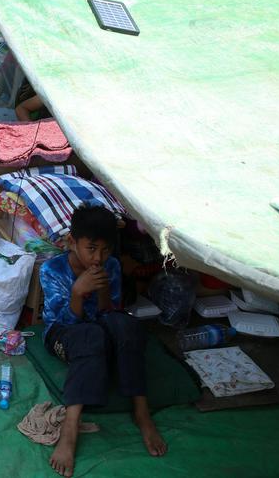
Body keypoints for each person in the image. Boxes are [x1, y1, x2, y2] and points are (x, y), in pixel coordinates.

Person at [40, 204, 167, 477]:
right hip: (63, 334)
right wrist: (77, 293)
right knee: (91, 335)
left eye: (106, 249)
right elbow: (63, 323)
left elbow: (110, 313)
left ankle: (141, 411)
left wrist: (104, 290)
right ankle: (71, 425)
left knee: (129, 325)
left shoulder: (111, 266)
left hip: (99, 328)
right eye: (92, 248)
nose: (99, 257)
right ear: (72, 242)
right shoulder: (51, 269)